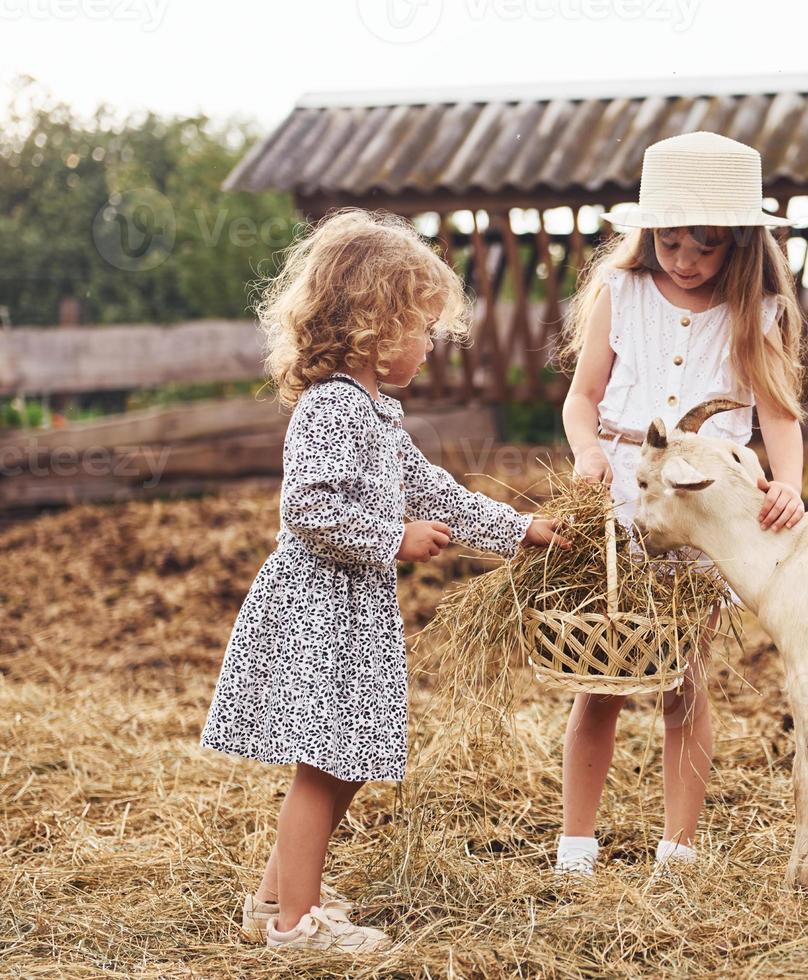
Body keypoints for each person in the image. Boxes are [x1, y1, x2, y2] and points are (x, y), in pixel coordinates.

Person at [201, 209, 568, 952]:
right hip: (318, 606)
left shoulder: (374, 413)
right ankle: (299, 927)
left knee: (346, 758)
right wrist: (390, 539)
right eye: (421, 326)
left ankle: (274, 900)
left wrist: (520, 531)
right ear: (375, 322)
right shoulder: (334, 407)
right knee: (328, 762)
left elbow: (436, 494)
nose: (430, 343)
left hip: (352, 606)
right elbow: (307, 507)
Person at [554, 132, 808, 877]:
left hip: (703, 510)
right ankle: (575, 846)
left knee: (683, 677)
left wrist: (787, 481)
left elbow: (781, 412)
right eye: (671, 239)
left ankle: (679, 848)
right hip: (621, 506)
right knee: (602, 674)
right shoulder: (621, 294)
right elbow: (582, 398)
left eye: (706, 243)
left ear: (740, 243)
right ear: (650, 231)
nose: (686, 257)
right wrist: (589, 451)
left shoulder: (758, 311)